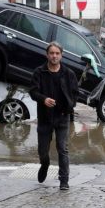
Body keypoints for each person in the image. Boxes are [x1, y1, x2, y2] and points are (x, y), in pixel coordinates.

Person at [30, 42, 78, 190]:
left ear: (61, 55)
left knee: (62, 148)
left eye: (57, 53)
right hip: (44, 117)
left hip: (62, 117)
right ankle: (45, 164)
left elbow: (75, 93)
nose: (54, 56)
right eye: (52, 53)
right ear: (47, 55)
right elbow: (32, 91)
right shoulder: (39, 72)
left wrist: (69, 106)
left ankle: (64, 180)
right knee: (43, 151)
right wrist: (43, 99)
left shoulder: (68, 74)